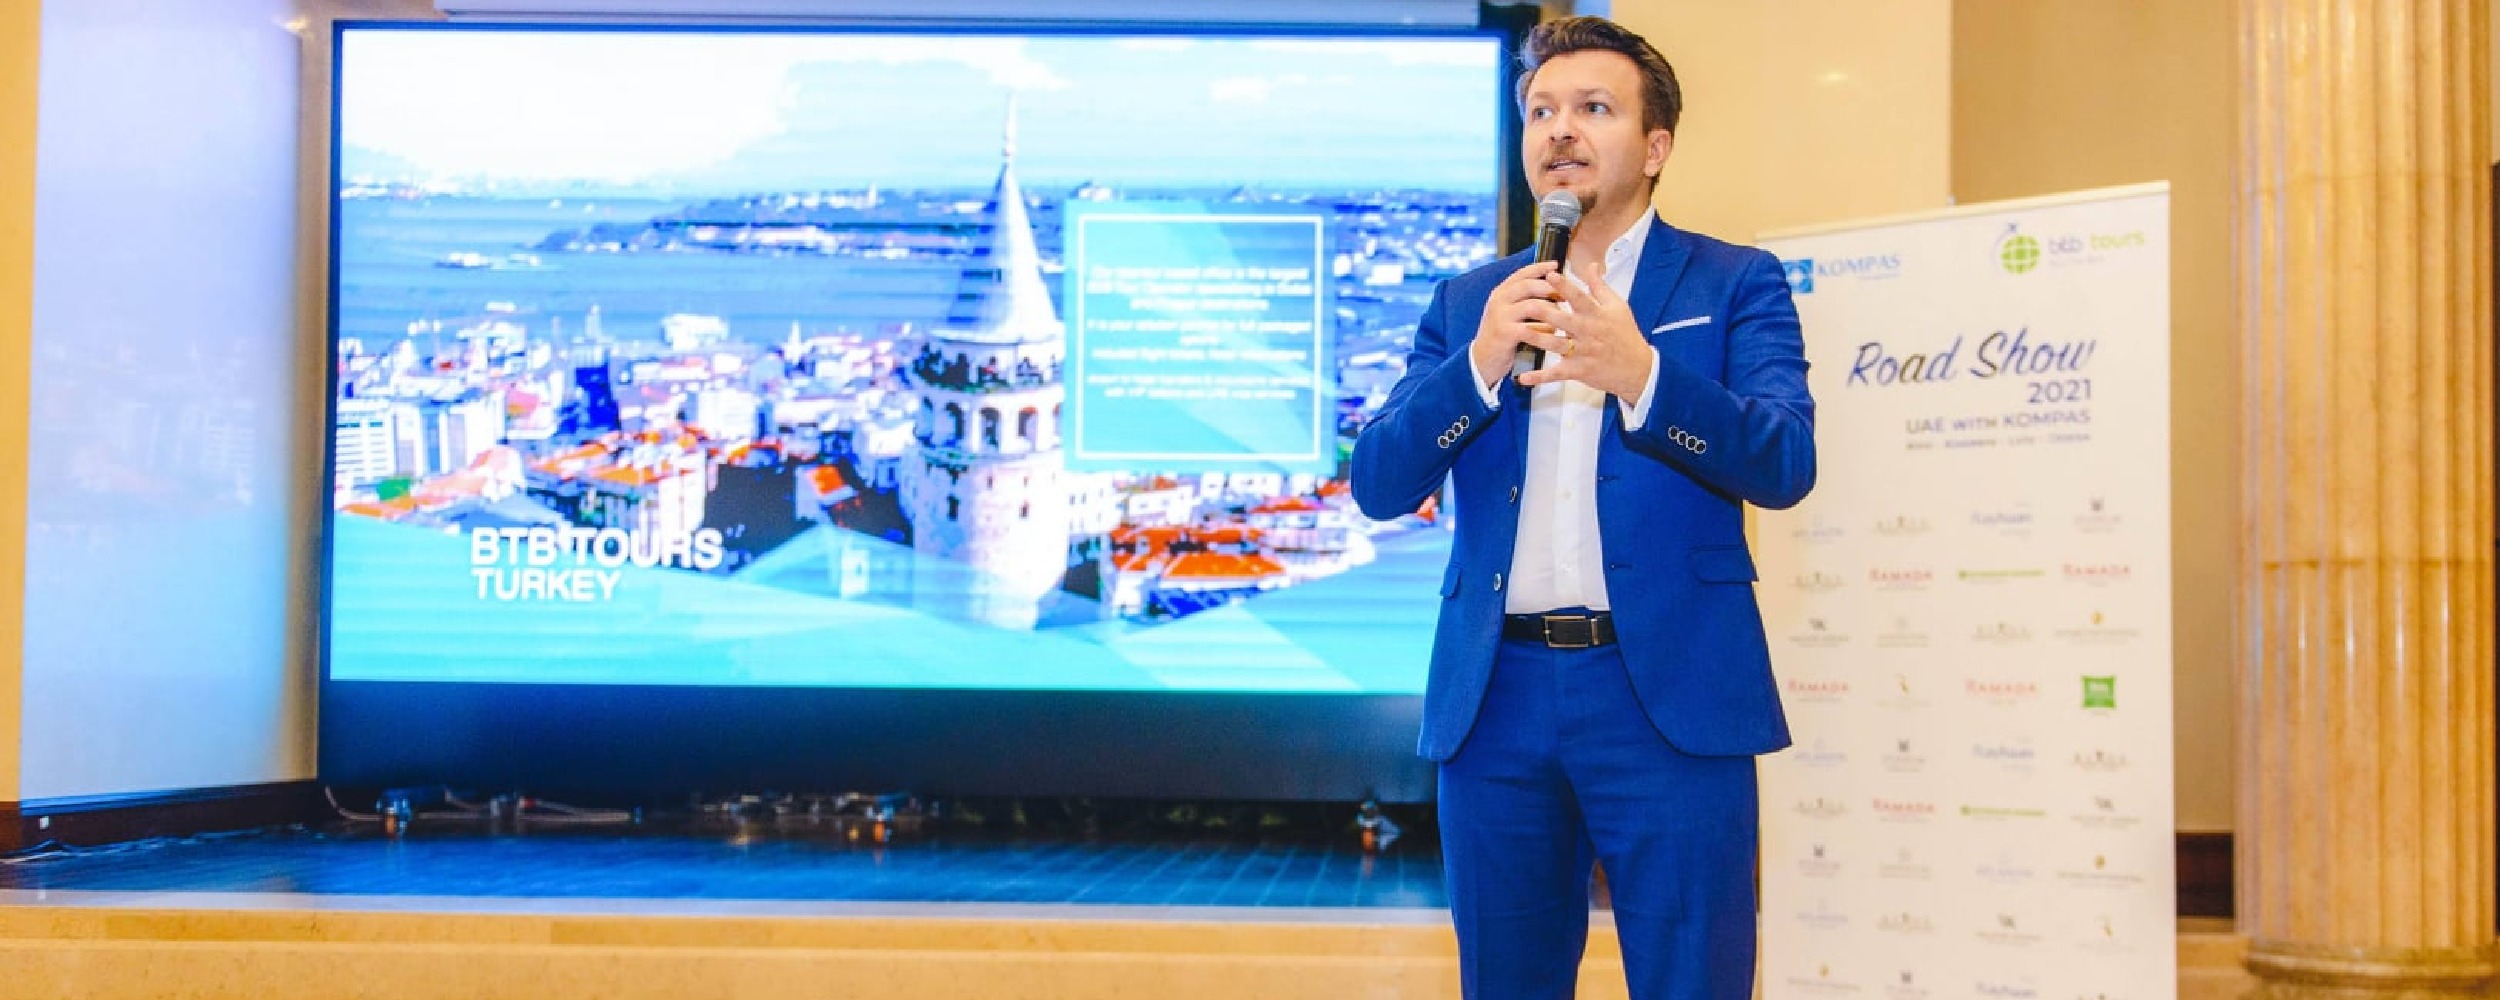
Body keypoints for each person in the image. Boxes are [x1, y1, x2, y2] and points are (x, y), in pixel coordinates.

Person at [1349, 15, 1815, 1000]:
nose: (1559, 129)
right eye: (1540, 112)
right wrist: (1480, 364)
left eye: (1593, 108)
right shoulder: (1470, 301)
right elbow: (1380, 482)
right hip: (1497, 697)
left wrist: (1642, 376)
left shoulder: (1734, 282)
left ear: (1655, 147)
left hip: (1669, 696)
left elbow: (1783, 461)